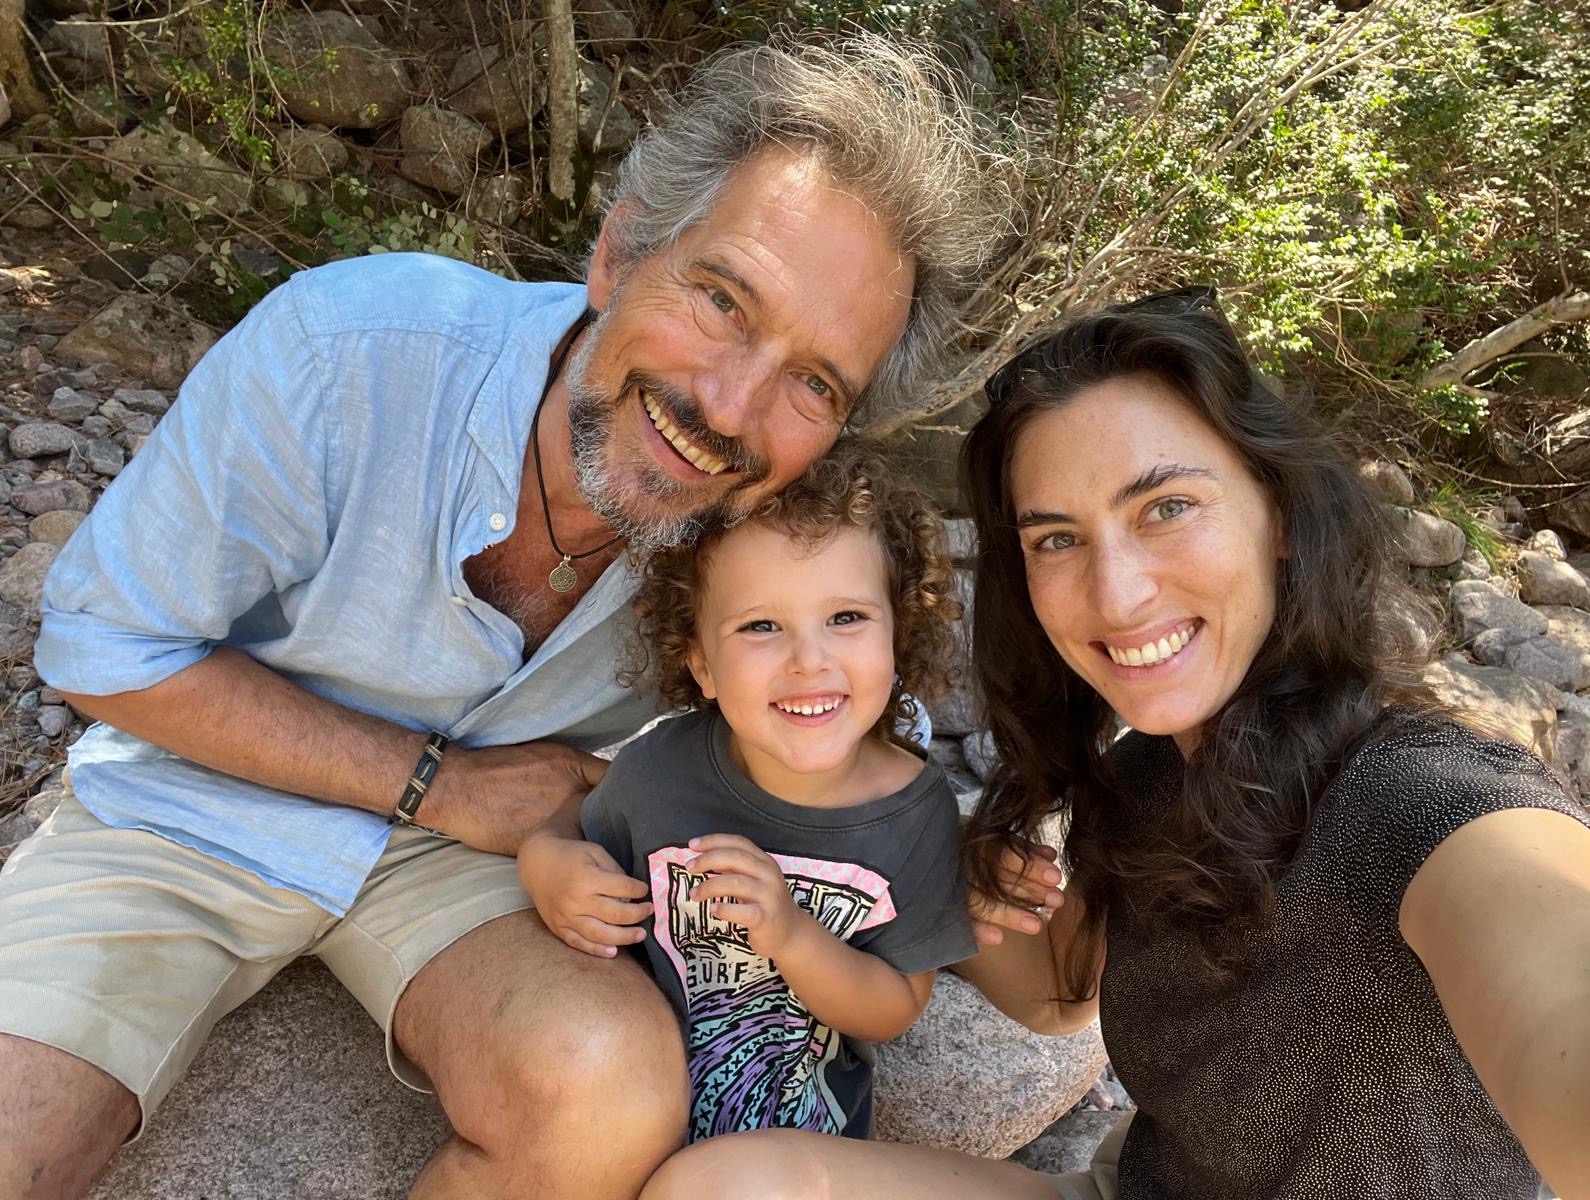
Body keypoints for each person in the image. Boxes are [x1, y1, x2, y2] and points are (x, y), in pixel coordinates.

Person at [0, 37, 1006, 1200]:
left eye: (815, 382)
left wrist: (975, 850)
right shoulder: (349, 351)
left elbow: (837, 697)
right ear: (618, 252)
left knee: (606, 1089)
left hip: (478, 866)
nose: (731, 409)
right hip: (199, 792)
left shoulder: (757, 523)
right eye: (723, 300)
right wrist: (441, 785)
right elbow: (103, 647)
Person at [638, 290, 1590, 1200]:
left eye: (1166, 508)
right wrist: (941, 864)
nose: (1117, 592)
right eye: (1057, 539)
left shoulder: (1434, 800)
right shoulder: (1148, 772)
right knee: (722, 1186)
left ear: (1279, 512)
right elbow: (1056, 1000)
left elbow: (1563, 987)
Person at [521, 441, 976, 1142]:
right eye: (761, 626)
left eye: (846, 618)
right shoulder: (660, 772)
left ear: (898, 632)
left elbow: (894, 1007)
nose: (809, 661)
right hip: (629, 1117)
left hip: (795, 1148)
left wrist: (792, 935)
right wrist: (546, 863)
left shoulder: (916, 814)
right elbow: (571, 827)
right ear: (701, 664)